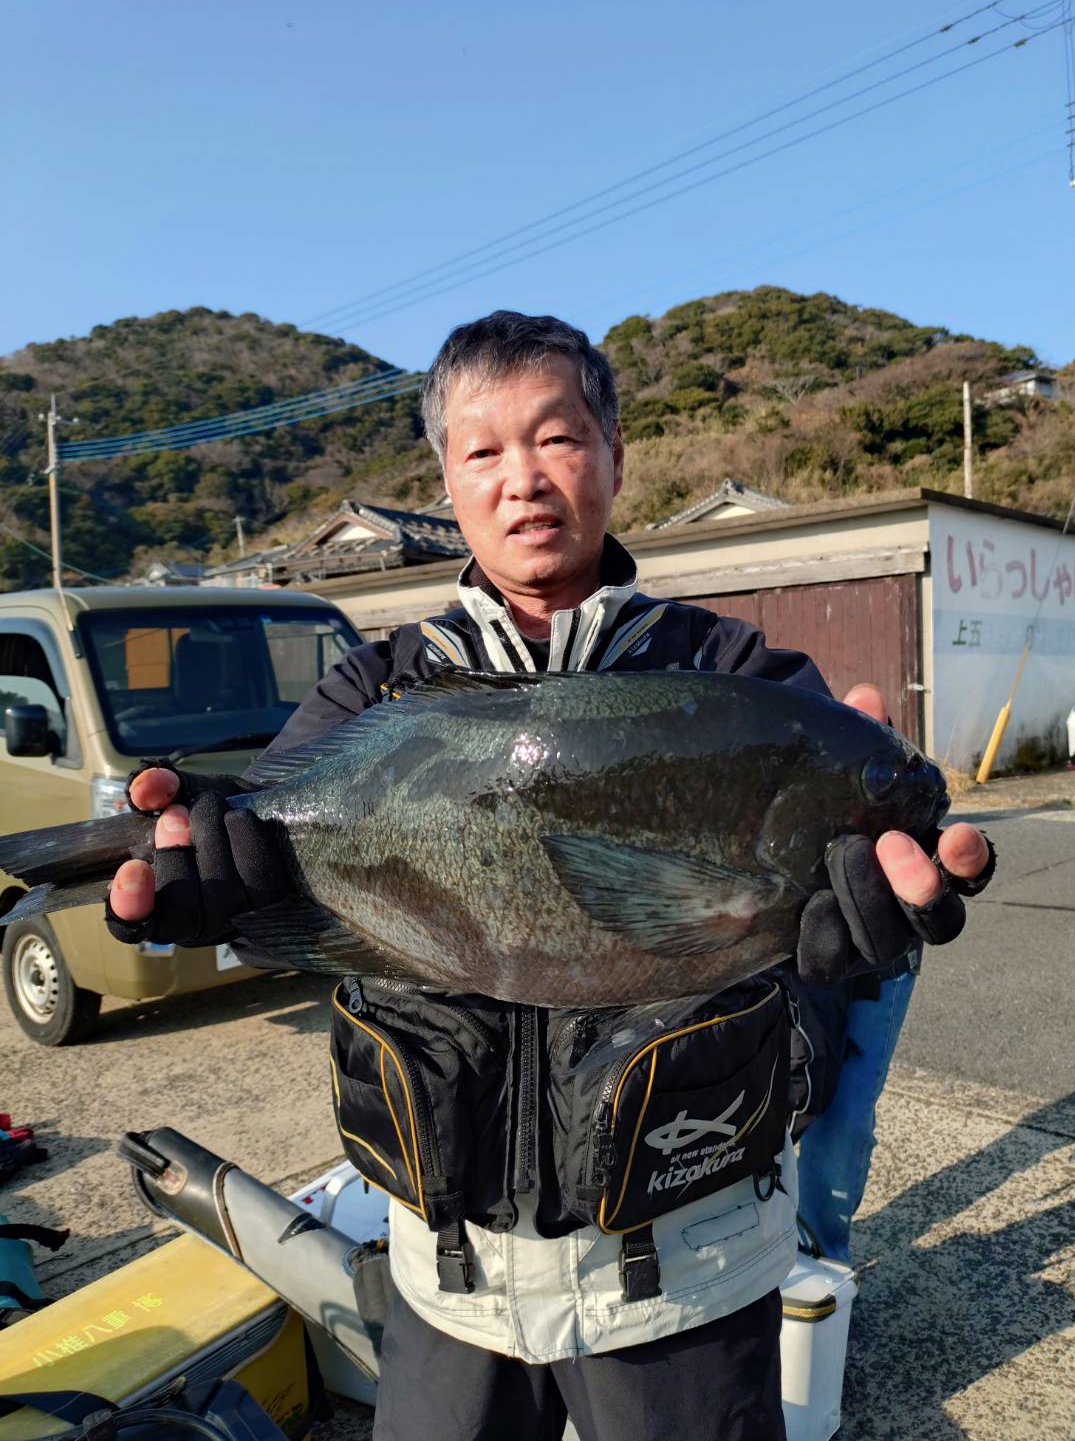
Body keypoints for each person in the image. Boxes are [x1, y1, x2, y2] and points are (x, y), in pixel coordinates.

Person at [106, 312, 992, 1441]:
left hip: (690, 1277)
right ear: (445, 478)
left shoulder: (737, 675)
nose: (522, 478)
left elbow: (828, 951)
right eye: (482, 451)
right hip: (446, 1279)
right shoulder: (374, 694)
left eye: (557, 438)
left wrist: (855, 953)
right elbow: (259, 850)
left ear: (615, 453)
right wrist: (202, 881)